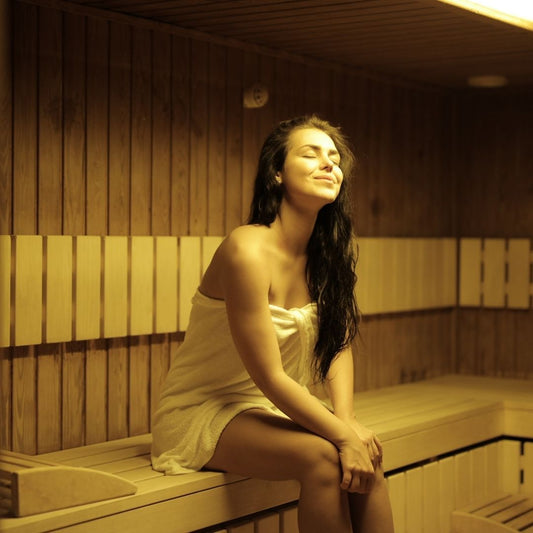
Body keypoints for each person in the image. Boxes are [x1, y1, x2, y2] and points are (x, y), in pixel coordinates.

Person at [151, 115, 395, 532]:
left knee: (368, 452)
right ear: (277, 172)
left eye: (334, 158)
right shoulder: (246, 250)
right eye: (311, 154)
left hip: (267, 407)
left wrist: (347, 419)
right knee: (323, 458)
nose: (328, 164)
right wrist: (341, 436)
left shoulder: (325, 254)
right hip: (204, 410)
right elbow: (268, 376)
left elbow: (336, 344)